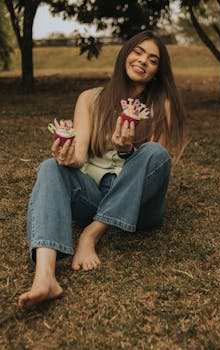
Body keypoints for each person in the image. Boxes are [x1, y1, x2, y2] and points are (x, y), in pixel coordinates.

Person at [19, 30, 185, 307]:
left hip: (141, 206)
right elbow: (79, 157)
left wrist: (126, 151)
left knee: (154, 152)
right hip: (94, 196)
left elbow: (156, 167)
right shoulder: (89, 99)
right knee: (50, 167)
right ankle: (45, 276)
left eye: (153, 59)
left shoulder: (161, 105)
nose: (143, 61)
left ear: (157, 71)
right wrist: (66, 156)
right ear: (125, 55)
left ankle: (91, 234)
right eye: (138, 52)